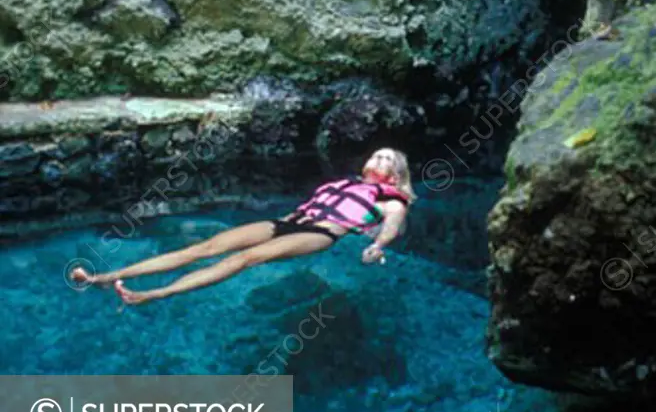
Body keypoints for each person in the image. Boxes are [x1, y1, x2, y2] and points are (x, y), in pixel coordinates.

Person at [69, 148, 416, 306]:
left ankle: (151, 295)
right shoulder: (344, 183)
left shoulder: (391, 200)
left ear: (396, 174)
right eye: (376, 155)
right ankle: (100, 278)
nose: (377, 160)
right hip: (285, 223)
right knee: (200, 249)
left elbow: (392, 226)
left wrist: (378, 246)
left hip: (320, 234)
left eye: (387, 159)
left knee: (244, 259)